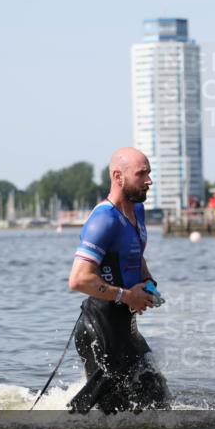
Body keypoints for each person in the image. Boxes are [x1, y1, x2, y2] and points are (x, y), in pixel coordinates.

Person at [66, 147, 169, 414]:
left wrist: (147, 281)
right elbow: (79, 279)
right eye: (141, 174)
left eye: (149, 173)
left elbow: (135, 254)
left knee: (157, 396)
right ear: (118, 176)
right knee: (104, 416)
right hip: (99, 328)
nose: (149, 180)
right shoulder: (104, 220)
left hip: (125, 327)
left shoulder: (137, 211)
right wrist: (127, 295)